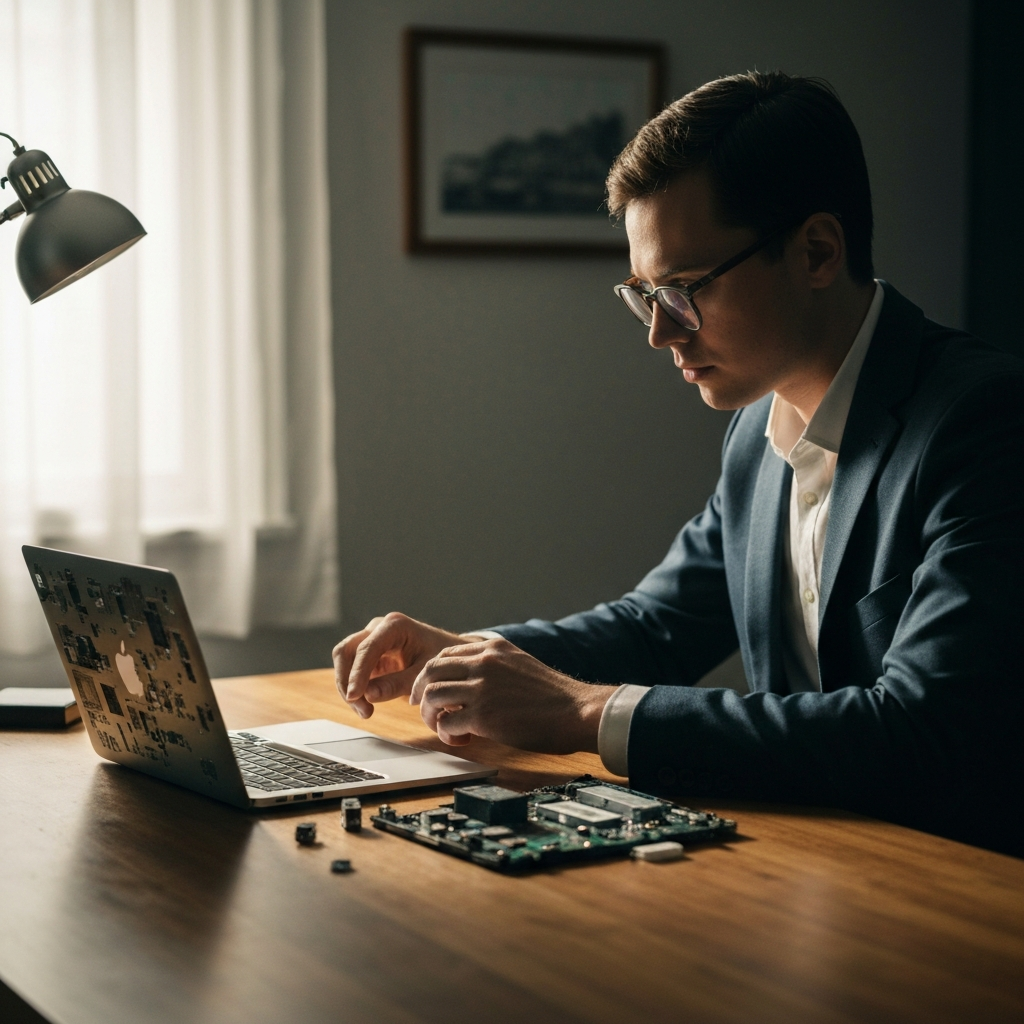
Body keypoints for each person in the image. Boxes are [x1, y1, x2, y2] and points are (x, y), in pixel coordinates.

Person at [334, 72, 1024, 857]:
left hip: (970, 889)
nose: (661, 333)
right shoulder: (756, 429)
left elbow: (920, 730)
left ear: (818, 251)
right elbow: (657, 628)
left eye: (685, 290)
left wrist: (584, 713)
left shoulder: (987, 423)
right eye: (644, 294)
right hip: (818, 866)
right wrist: (463, 657)